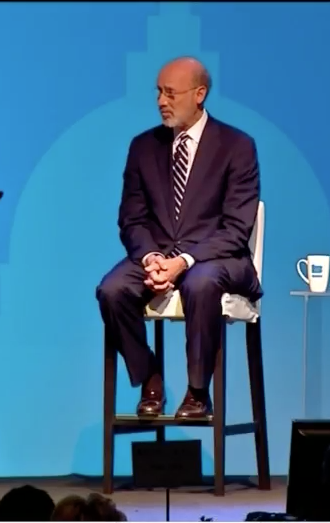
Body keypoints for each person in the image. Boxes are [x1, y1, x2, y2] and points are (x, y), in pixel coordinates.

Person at [96, 57, 262, 419]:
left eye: (170, 93)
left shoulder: (237, 146)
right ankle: (149, 375)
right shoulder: (143, 146)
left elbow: (236, 229)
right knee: (112, 290)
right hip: (156, 254)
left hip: (218, 257)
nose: (161, 101)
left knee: (201, 283)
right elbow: (131, 218)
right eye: (158, 92)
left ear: (199, 94)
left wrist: (182, 261)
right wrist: (151, 258)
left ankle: (198, 391)